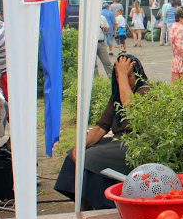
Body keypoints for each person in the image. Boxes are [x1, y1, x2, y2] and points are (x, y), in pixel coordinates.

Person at [54, 55, 150, 209]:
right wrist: (80, 146)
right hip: (117, 143)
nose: (123, 80)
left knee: (91, 157)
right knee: (74, 155)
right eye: (118, 76)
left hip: (137, 145)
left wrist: (123, 76)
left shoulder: (146, 90)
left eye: (128, 76)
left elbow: (132, 108)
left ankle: (101, 206)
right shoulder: (117, 96)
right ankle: (85, 205)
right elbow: (100, 127)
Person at [95, 12, 113, 77]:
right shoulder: (89, 18)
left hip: (101, 42)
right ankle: (96, 80)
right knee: (93, 65)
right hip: (92, 44)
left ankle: (112, 79)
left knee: (107, 62)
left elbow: (107, 29)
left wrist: (105, 28)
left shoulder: (102, 17)